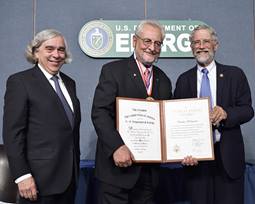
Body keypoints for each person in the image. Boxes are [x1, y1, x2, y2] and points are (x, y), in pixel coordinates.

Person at [91, 20, 172, 204]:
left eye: (157, 43)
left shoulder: (164, 80)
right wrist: (116, 147)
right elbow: (100, 112)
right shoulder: (113, 71)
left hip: (148, 176)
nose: (152, 47)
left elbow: (167, 122)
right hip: (116, 172)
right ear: (134, 40)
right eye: (147, 41)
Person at [174, 24, 254, 204]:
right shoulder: (183, 80)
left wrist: (226, 113)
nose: (201, 46)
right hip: (196, 162)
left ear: (215, 45)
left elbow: (247, 110)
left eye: (206, 41)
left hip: (228, 158)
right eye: (196, 42)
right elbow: (175, 121)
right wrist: (183, 151)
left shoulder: (235, 75)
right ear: (191, 47)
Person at [3, 29, 81, 204]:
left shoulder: (70, 83)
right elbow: (12, 133)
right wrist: (22, 175)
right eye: (50, 48)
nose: (56, 54)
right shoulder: (20, 82)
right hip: (37, 182)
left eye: (61, 50)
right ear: (36, 51)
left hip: (69, 180)